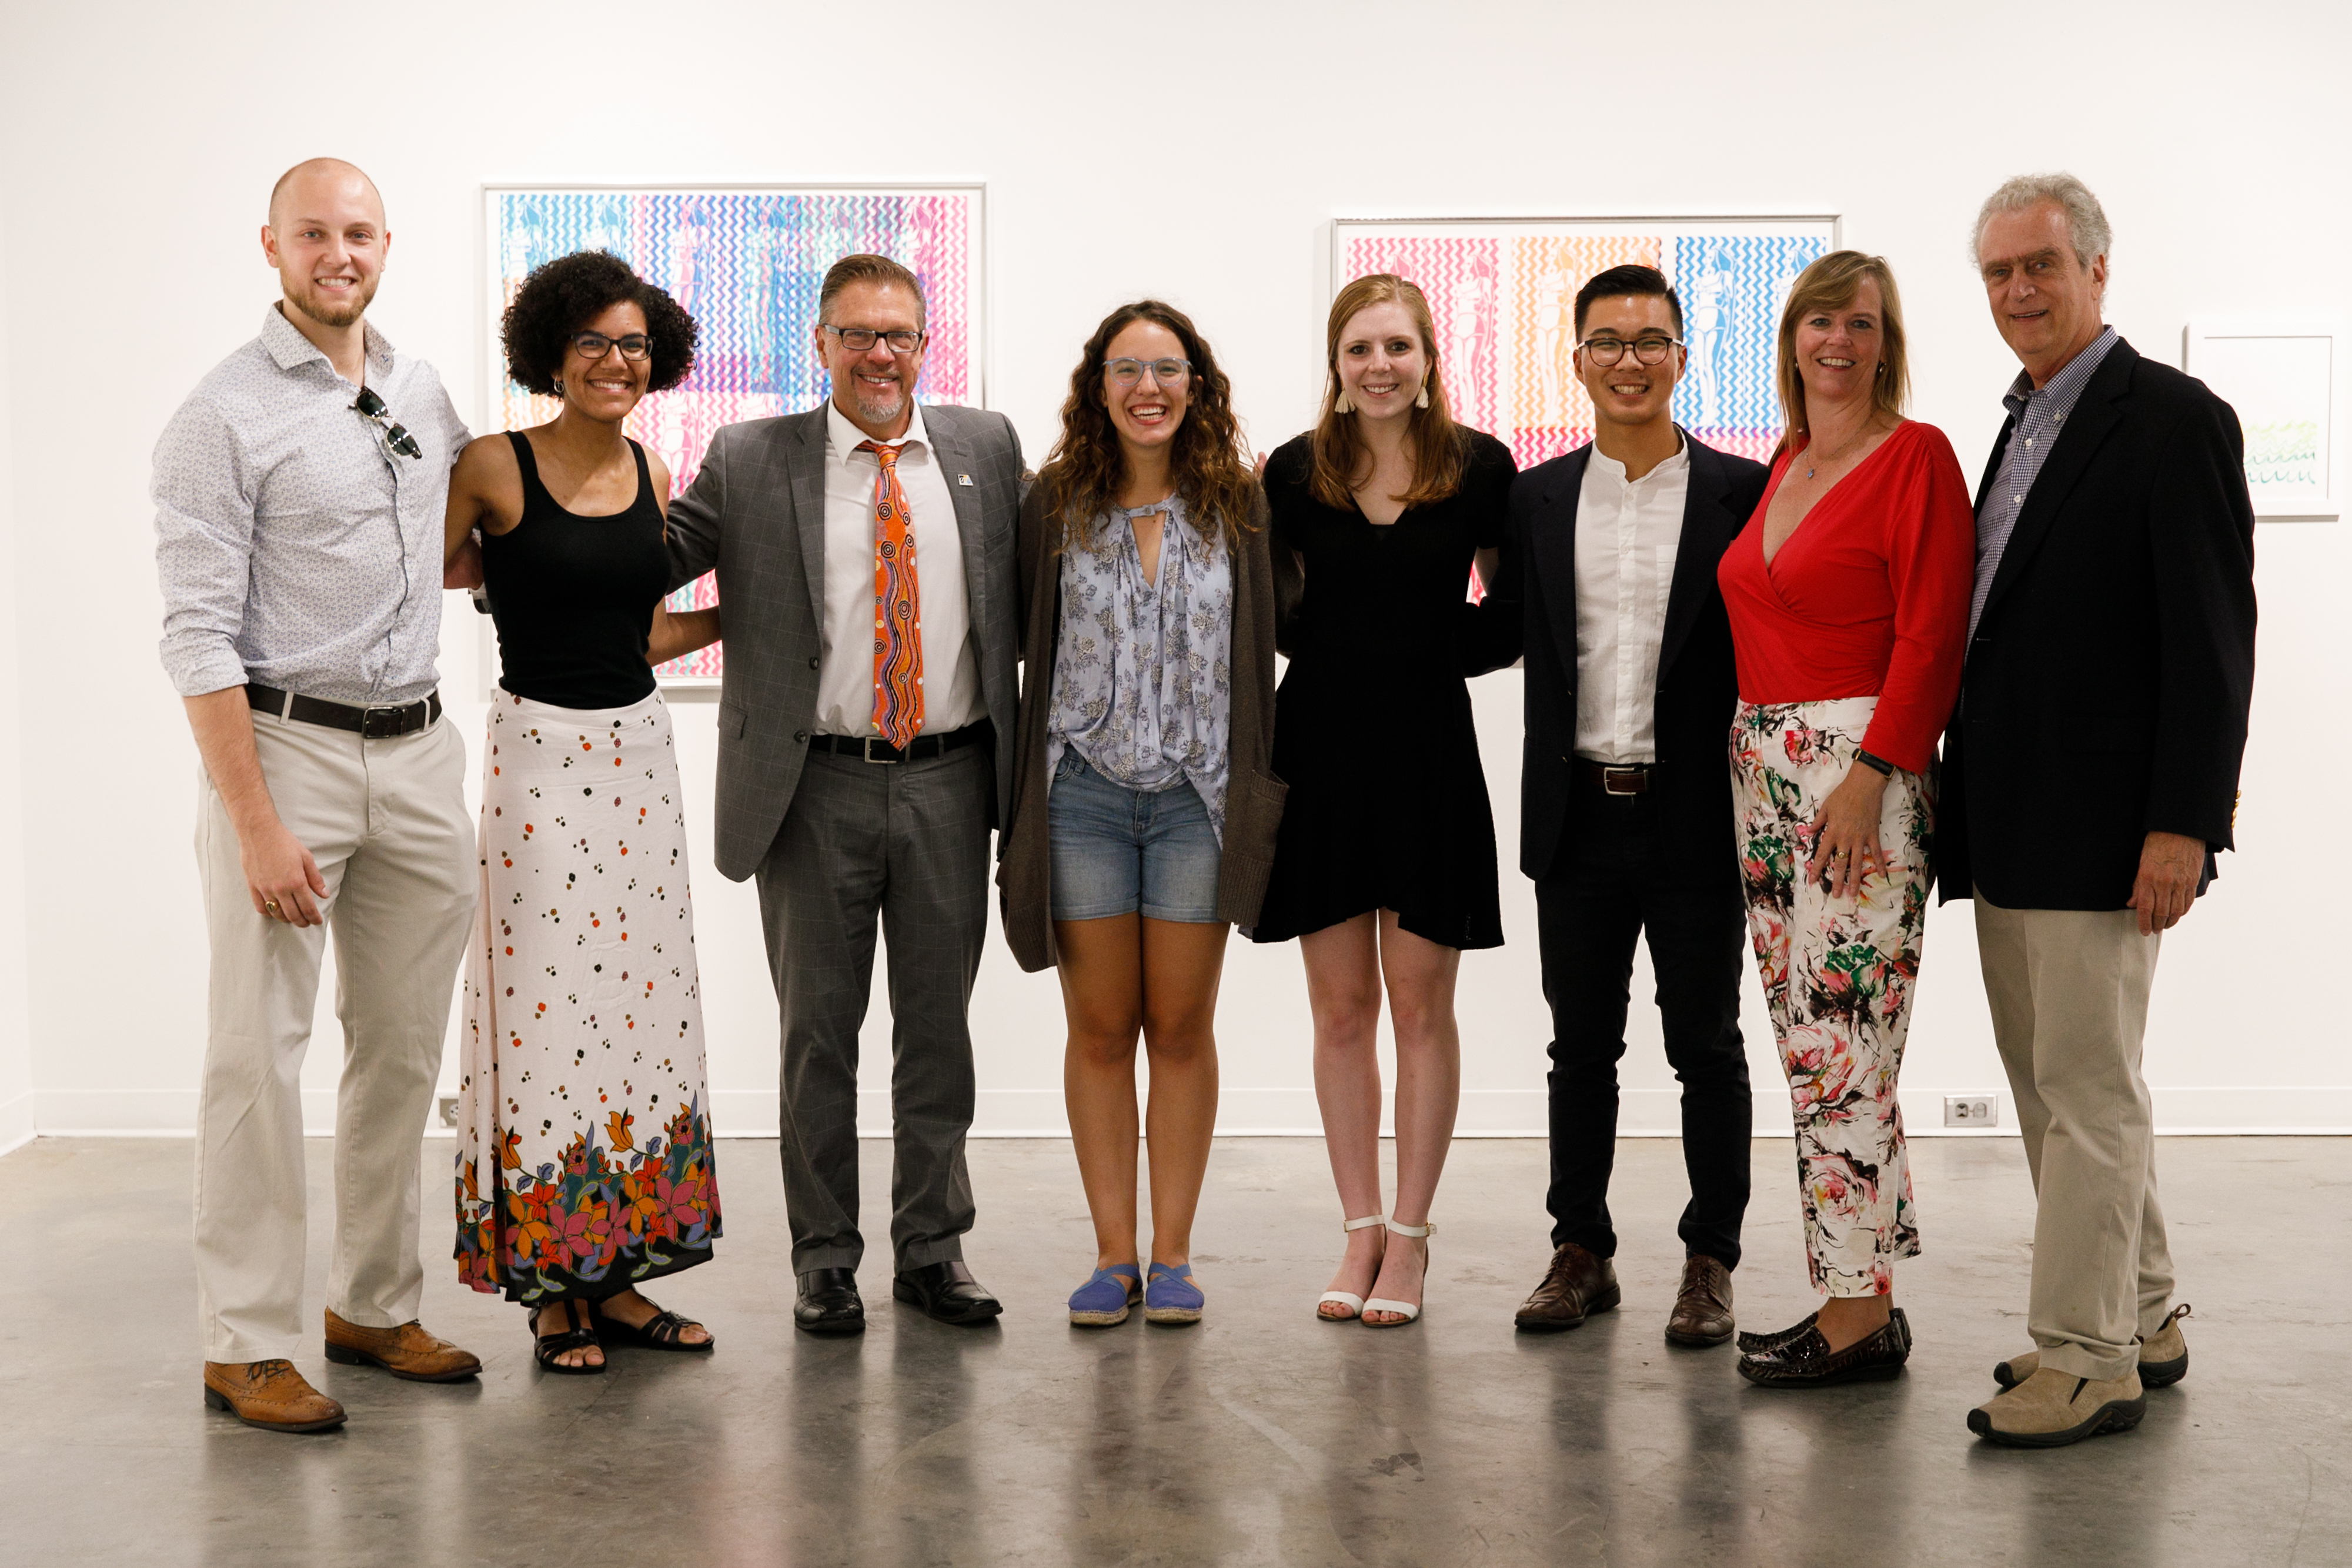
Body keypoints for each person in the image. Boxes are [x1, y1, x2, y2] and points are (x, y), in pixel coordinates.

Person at [153, 158, 482, 1434]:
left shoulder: (416, 385)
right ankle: (241, 1340)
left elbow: (446, 553)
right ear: (271, 247)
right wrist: (253, 820)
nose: (336, 253)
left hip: (418, 751)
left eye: (356, 233)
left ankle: (371, 1302)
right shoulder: (220, 415)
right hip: (284, 750)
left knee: (400, 1049)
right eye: (313, 235)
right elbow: (195, 637)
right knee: (257, 1050)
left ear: (386, 244)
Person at [664, 254, 1024, 1334]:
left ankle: (932, 1248)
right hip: (812, 786)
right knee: (817, 1035)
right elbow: (657, 558)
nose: (879, 355)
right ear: (820, 344)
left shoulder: (985, 450)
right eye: (858, 335)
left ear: (925, 346)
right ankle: (824, 1259)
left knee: (938, 1031)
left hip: (953, 780)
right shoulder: (751, 456)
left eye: (899, 336)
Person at [1949, 175, 2254, 1448]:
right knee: (2055, 1084)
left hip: (2104, 826)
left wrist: (2181, 822)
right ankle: (2141, 1308)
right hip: (2008, 819)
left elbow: (2210, 634)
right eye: (1997, 273)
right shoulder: (2015, 424)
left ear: (2095, 269)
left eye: (2040, 266)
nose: (2018, 291)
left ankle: (2085, 1360)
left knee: (2085, 1091)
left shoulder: (2171, 419)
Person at [442, 250, 724, 1372]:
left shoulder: (654, 470)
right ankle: (553, 1290)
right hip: (540, 765)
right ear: (552, 354)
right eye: (596, 343)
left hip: (640, 760)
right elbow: (442, 574)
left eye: (635, 344)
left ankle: (621, 1280)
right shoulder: (492, 466)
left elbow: (639, 636)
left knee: (642, 1018)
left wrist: (740, 621)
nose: (617, 361)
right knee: (547, 1019)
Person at [1485, 265, 1769, 1343]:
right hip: (1578, 814)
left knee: (1707, 1044)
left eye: (1651, 341)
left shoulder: (1744, 491)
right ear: (1579, 364)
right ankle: (1581, 1251)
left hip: (1699, 811)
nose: (1630, 361)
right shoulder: (1536, 497)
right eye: (1607, 343)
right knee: (1580, 1047)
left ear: (1683, 359)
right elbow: (1503, 627)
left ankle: (1711, 1259)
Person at [997, 302, 1293, 1328]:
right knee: (1098, 1027)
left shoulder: (1240, 509)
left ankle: (1173, 1256)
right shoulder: (1054, 505)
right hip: (1078, 793)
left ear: (1196, 386)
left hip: (1196, 802)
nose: (1148, 388)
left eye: (1168, 368)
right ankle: (1111, 1256)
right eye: (1127, 369)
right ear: (1098, 388)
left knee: (1179, 1026)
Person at [1715, 250, 1973, 1388]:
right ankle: (1862, 1292)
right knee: (1816, 1047)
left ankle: (1855, 1317)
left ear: (1886, 341)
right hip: (1764, 776)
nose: (1839, 341)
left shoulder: (1913, 456)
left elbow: (1932, 633)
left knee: (1842, 1049)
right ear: (1794, 337)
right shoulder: (1786, 463)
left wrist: (1873, 774)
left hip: (1855, 775)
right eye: (1820, 321)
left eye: (1861, 324)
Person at [1252, 273, 1518, 1328]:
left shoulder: (1476, 466)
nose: (1379, 366)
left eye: (1398, 347)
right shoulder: (1292, 469)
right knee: (1341, 1009)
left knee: (1419, 1006)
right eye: (1361, 348)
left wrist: (1416, 651)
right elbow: (1274, 613)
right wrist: (1343, 653)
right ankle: (1357, 1227)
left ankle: (1409, 1240)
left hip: (1426, 754)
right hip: (1317, 751)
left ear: (1427, 358)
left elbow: (1509, 613)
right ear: (1336, 361)